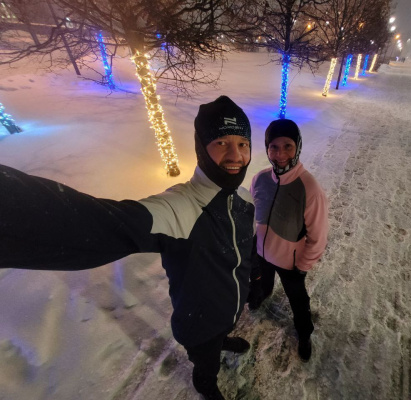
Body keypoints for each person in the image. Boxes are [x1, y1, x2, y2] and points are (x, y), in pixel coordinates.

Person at [0, 95, 259, 400]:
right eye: (221, 143)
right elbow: (101, 225)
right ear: (202, 148)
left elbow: (245, 248)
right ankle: (205, 383)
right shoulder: (180, 208)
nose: (235, 155)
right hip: (198, 325)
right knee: (206, 362)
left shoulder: (244, 198)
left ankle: (222, 338)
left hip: (229, 310)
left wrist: (252, 274)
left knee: (220, 334)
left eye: (242, 144)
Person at [249, 119, 328, 362]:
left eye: (288, 146)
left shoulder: (309, 188)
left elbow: (318, 237)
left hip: (290, 263)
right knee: (262, 282)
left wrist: (302, 266)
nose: (280, 154)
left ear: (298, 147)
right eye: (273, 146)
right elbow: (253, 215)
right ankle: (263, 294)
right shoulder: (260, 179)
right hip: (262, 252)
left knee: (298, 301)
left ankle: (304, 333)